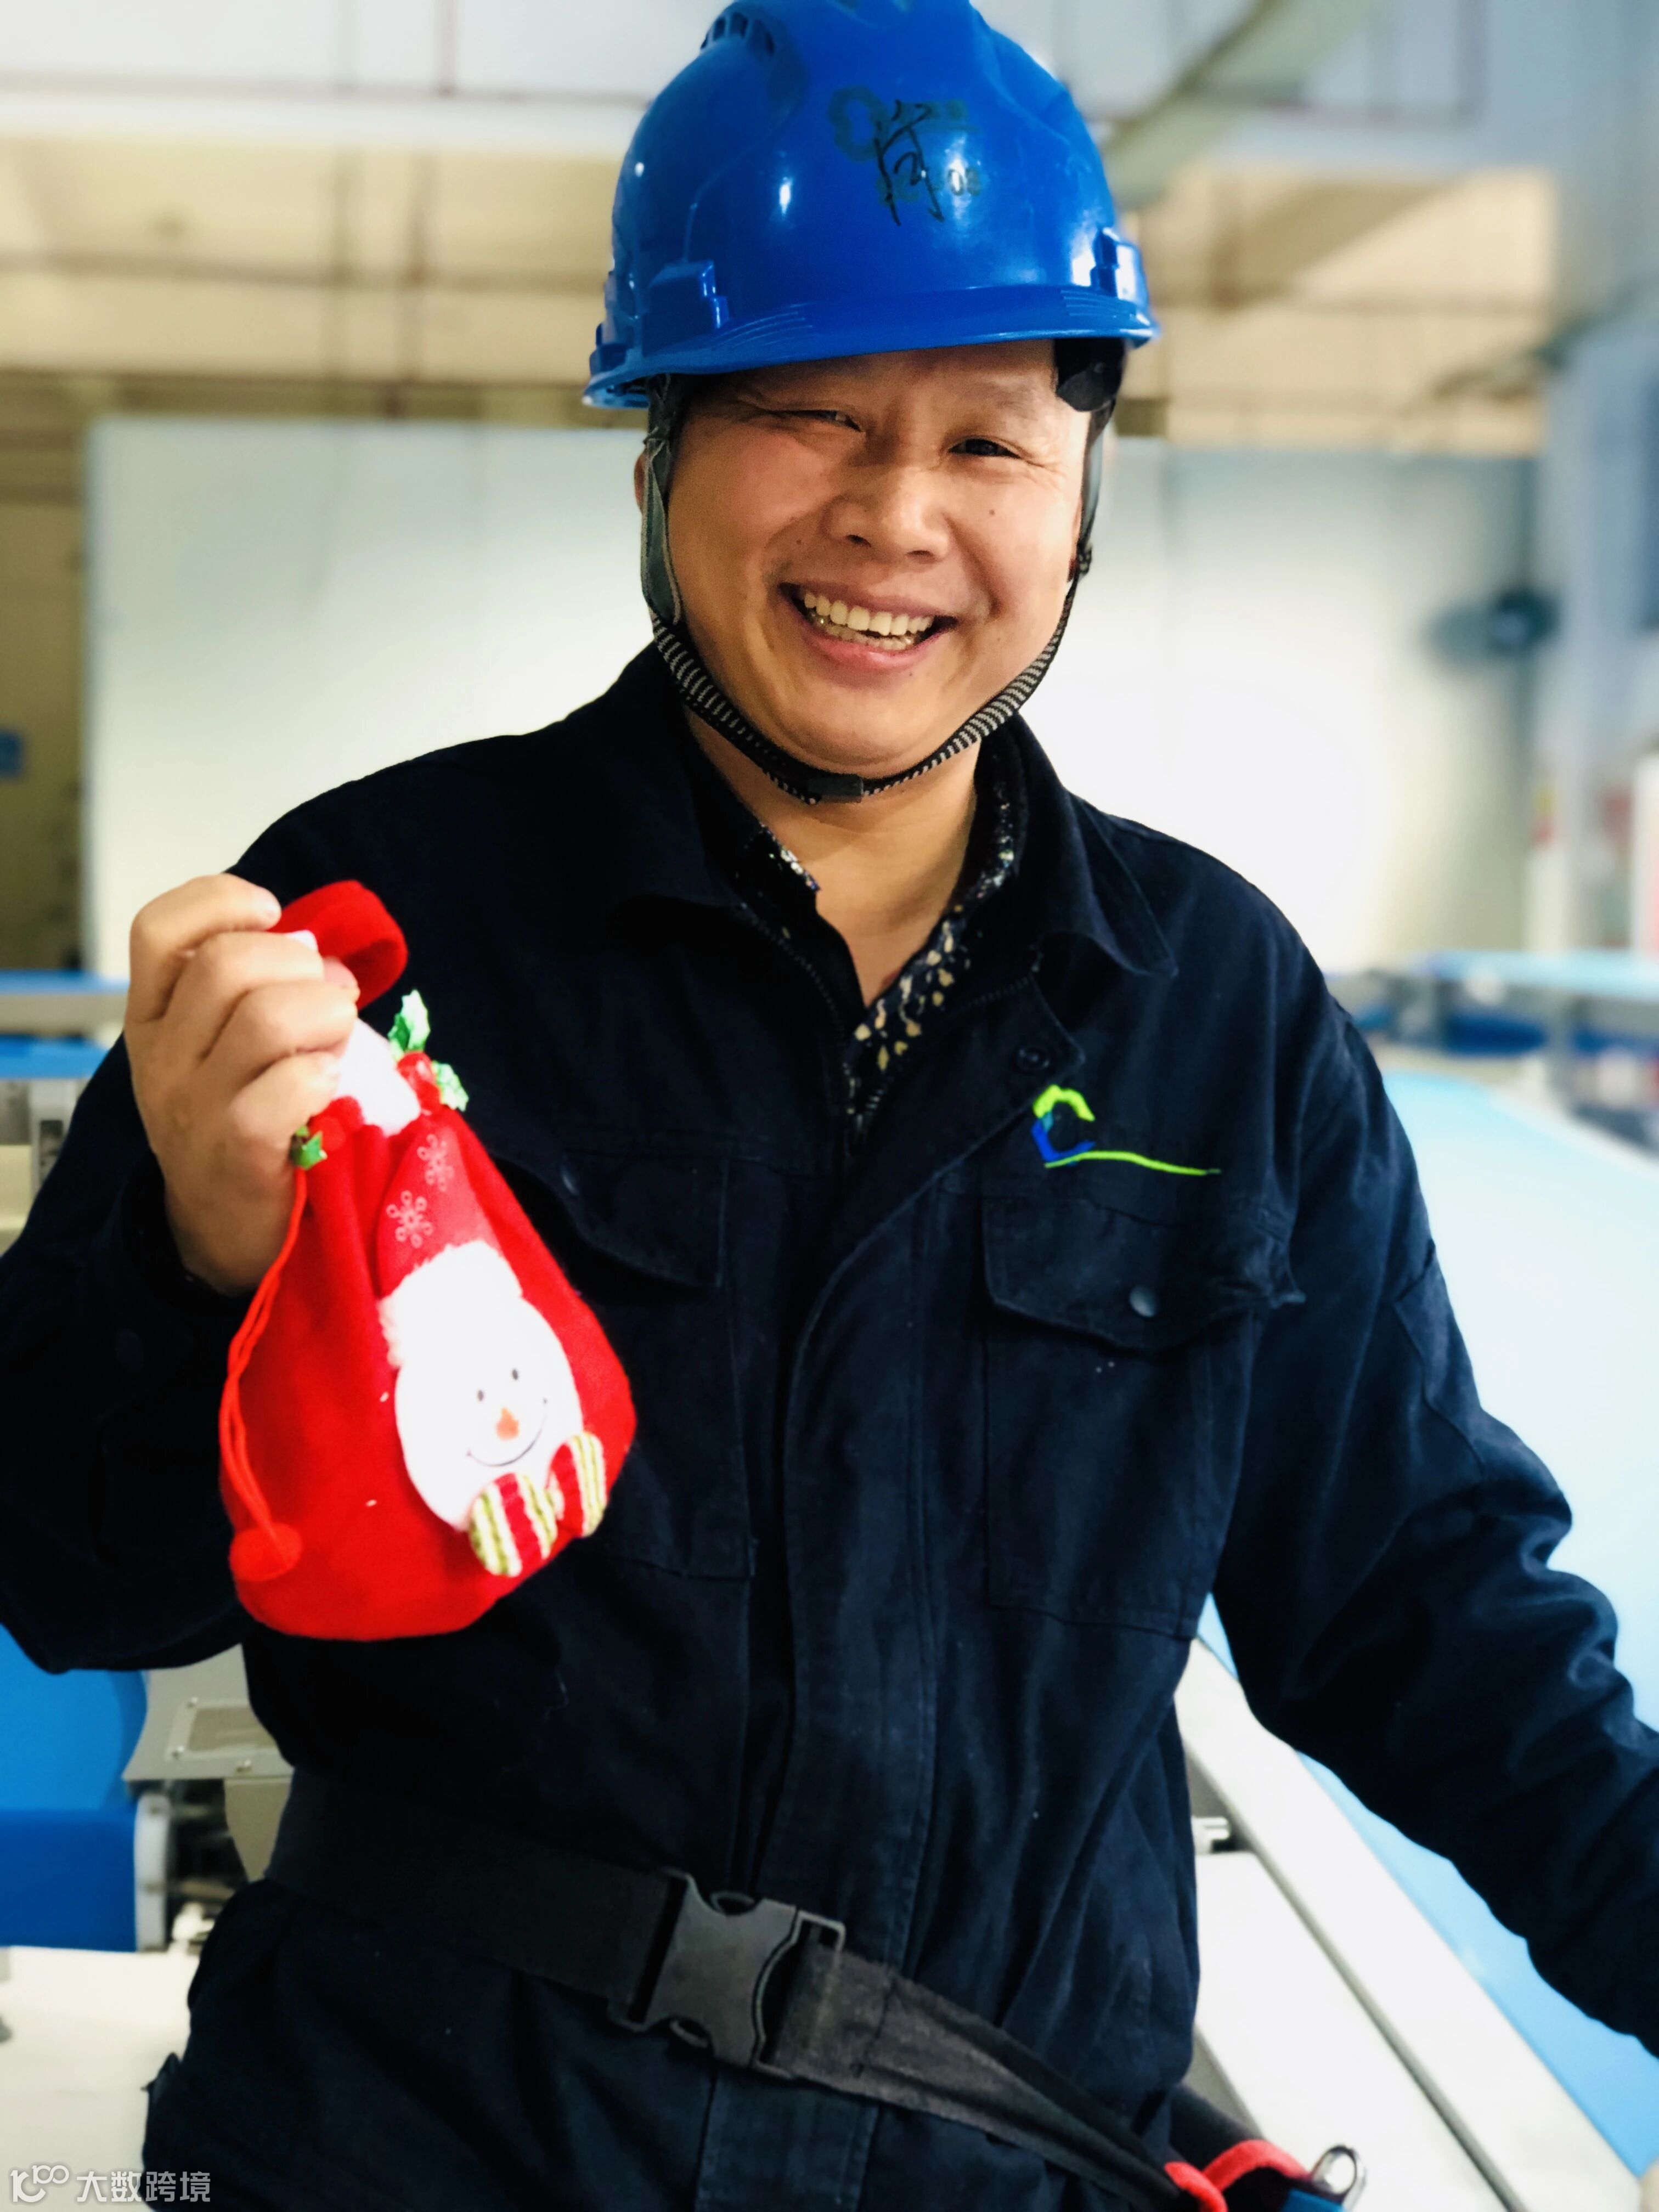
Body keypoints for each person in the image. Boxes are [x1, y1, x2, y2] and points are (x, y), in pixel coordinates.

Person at [1, 2, 1655, 2207]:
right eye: (807, 414)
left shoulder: (1215, 1016)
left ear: (1081, 498)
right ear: (659, 451)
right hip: (428, 2142)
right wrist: (200, 1269)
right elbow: (67, 1573)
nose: (896, 516)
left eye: (991, 441)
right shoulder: (381, 930)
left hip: (992, 2154)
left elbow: (1425, 1619)